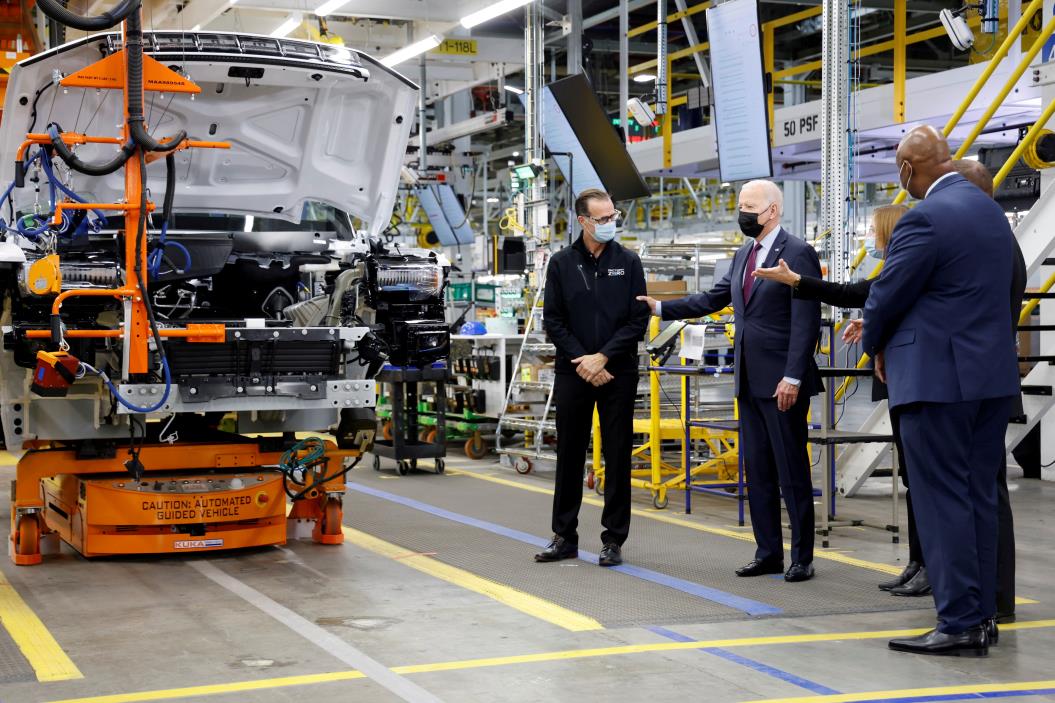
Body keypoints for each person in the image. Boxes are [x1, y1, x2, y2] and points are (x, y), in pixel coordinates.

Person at [862, 125, 1019, 657]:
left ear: (907, 169)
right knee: (977, 498)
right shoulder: (989, 212)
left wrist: (875, 346)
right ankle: (981, 616)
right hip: (989, 380)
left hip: (936, 381)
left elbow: (885, 295)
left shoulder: (924, 217)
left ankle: (957, 621)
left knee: (941, 501)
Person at [637, 180, 823, 583]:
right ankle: (768, 552)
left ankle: (802, 557)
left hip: (782, 383)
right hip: (748, 380)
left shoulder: (798, 253)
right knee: (757, 469)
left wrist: (793, 374)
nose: (742, 212)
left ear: (772, 210)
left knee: (791, 470)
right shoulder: (743, 254)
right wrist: (661, 306)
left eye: (749, 206)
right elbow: (712, 299)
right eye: (740, 205)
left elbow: (806, 322)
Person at [752, 205, 931, 596]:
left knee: (922, 480)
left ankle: (927, 566)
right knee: (913, 480)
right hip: (898, 376)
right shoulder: (894, 269)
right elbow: (870, 297)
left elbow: (855, 295)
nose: (870, 235)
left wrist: (796, 280)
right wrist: (872, 322)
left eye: (872, 228)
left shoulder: (905, 266)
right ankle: (919, 563)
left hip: (915, 377)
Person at [536, 188, 649, 568]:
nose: (608, 224)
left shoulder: (629, 262)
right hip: (574, 371)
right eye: (601, 219)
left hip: (617, 369)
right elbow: (553, 319)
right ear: (583, 221)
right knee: (569, 453)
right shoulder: (562, 264)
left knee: (617, 455)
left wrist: (602, 358)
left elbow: (638, 320)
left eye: (612, 217)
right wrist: (583, 359)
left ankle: (613, 539)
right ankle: (564, 536)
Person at [952, 157, 1024, 623]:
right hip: (994, 377)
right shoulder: (1005, 243)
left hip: (966, 382)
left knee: (975, 493)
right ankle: (997, 599)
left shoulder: (970, 240)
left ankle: (980, 603)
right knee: (990, 491)